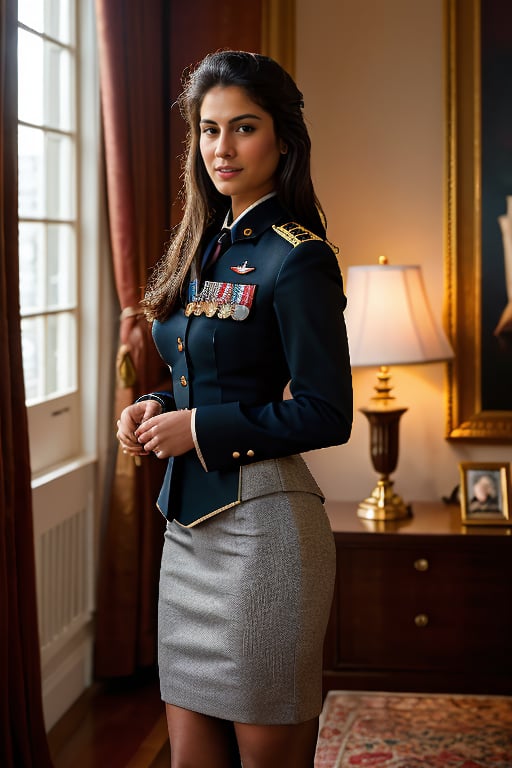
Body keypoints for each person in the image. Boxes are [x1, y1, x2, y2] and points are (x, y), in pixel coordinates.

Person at [116, 50, 352, 768]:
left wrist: (199, 430)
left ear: (282, 138)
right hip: (186, 536)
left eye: (242, 128)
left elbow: (325, 412)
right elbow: (205, 369)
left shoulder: (298, 257)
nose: (222, 148)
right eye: (209, 130)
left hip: (265, 536)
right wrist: (157, 405)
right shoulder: (201, 245)